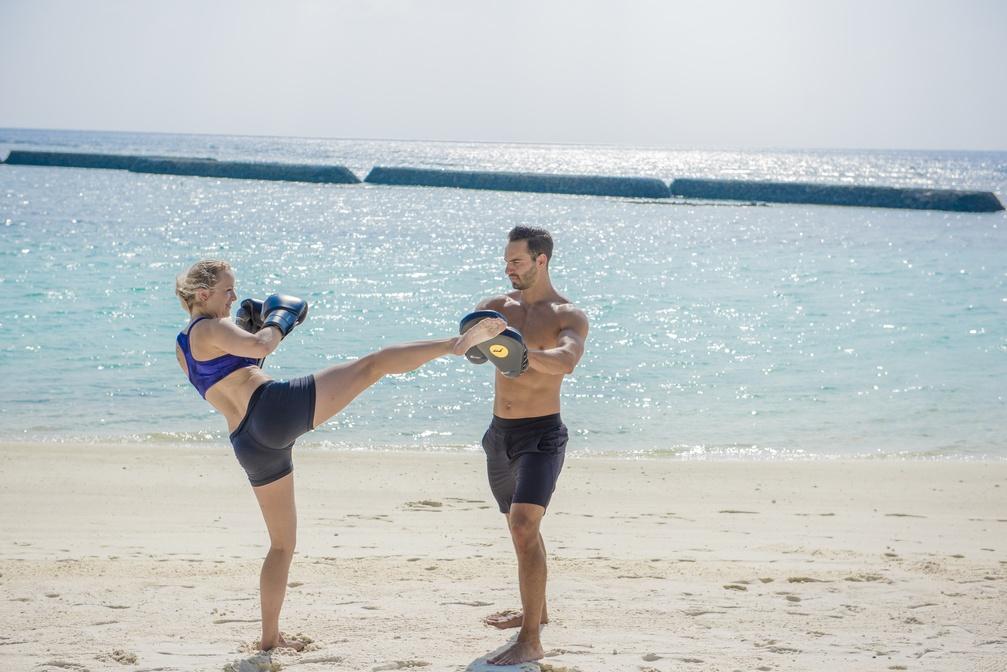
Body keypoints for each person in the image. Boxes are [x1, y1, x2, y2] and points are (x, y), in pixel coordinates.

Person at [173, 259, 505, 652]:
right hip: (271, 407)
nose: (232, 297)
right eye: (227, 290)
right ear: (202, 294)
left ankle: (269, 639)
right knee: (373, 365)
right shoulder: (213, 326)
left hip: (248, 442)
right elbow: (262, 346)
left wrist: (253, 335)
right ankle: (455, 344)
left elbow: (232, 372)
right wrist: (280, 318)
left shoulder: (183, 345)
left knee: (281, 544)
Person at [465, 227, 589, 665]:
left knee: (523, 526)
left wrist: (520, 350)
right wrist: (481, 340)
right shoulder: (496, 307)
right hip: (499, 435)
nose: (508, 269)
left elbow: (567, 361)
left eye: (516, 261)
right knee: (522, 534)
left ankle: (531, 638)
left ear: (541, 260)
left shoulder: (567, 314)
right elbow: (472, 350)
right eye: (506, 261)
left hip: (542, 435)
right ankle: (539, 609)